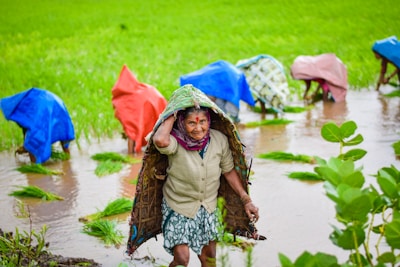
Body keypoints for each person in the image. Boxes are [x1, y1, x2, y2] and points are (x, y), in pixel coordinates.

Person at [152, 105, 259, 267]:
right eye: (191, 123)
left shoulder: (219, 140)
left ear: (209, 121)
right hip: (178, 206)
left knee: (209, 260)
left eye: (202, 121)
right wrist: (172, 113)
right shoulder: (175, 140)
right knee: (182, 259)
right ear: (181, 122)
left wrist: (246, 199)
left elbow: (228, 171)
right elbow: (160, 140)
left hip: (208, 207)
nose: (198, 128)